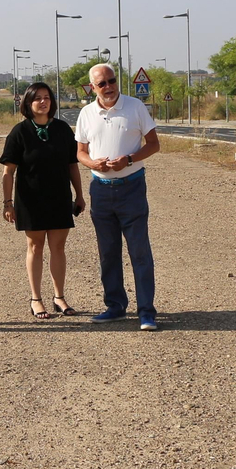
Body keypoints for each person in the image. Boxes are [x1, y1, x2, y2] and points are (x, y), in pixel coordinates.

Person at [75, 63, 162, 330]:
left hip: (132, 188)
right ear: (92, 88)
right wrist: (93, 164)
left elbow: (154, 144)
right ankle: (115, 306)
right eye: (101, 84)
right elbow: (80, 152)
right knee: (107, 253)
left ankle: (146, 311)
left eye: (111, 81)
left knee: (139, 252)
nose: (108, 87)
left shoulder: (135, 107)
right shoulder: (86, 114)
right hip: (101, 190)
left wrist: (130, 159)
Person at [0, 82, 86, 319]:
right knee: (35, 247)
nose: (43, 102)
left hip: (59, 198)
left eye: (47, 98)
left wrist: (79, 194)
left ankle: (59, 297)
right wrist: (8, 203)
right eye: (37, 98)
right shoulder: (20, 132)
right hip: (30, 199)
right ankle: (36, 299)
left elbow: (72, 166)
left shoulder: (63, 130)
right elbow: (8, 172)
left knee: (58, 247)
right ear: (28, 103)